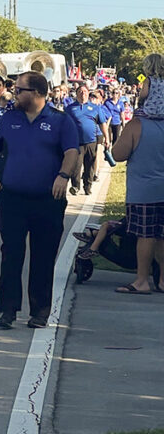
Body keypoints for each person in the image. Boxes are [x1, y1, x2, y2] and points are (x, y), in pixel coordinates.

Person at [0, 72, 78, 329]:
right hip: (13, 199)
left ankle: (40, 311)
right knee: (11, 253)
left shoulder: (60, 120)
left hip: (47, 200)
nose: (14, 93)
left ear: (38, 93)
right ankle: (7, 310)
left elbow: (72, 151)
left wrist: (64, 175)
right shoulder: (9, 118)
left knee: (43, 256)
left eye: (20, 90)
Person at [110, 115, 164, 294]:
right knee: (162, 236)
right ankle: (163, 279)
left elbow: (118, 154)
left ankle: (142, 280)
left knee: (146, 235)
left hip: (144, 190)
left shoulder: (137, 124)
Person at [65, 84, 110, 196]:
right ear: (76, 93)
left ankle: (87, 186)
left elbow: (102, 123)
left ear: (88, 93)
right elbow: (64, 124)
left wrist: (107, 138)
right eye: (80, 91)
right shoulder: (70, 108)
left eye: (85, 91)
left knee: (89, 165)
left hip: (91, 141)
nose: (83, 93)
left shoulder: (95, 108)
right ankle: (75, 186)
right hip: (76, 142)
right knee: (76, 166)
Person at [135, 53, 164, 118]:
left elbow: (144, 94)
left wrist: (139, 100)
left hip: (150, 111)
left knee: (136, 114)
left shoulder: (148, 80)